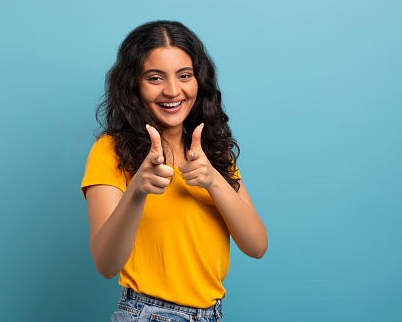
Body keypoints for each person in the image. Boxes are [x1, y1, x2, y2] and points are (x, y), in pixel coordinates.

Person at [81, 20, 267, 322]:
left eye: (184, 76)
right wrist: (137, 190)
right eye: (155, 78)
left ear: (199, 81)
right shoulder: (110, 151)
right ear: (134, 85)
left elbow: (257, 246)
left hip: (211, 314)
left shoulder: (212, 152)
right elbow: (105, 264)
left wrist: (213, 181)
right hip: (147, 314)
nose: (172, 90)